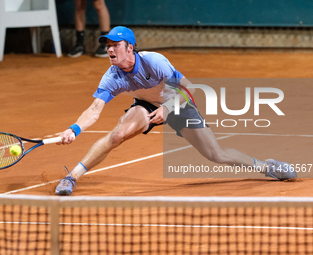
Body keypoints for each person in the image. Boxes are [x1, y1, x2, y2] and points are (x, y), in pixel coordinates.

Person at [55, 26, 297, 196]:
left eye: (115, 45)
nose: (110, 50)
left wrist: (168, 108)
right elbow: (95, 109)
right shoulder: (113, 76)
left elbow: (189, 88)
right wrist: (74, 129)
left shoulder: (154, 61)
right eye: (107, 45)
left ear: (130, 48)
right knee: (117, 135)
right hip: (146, 106)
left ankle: (267, 167)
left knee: (216, 154)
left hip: (178, 101)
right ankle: (72, 177)